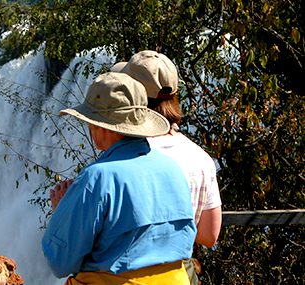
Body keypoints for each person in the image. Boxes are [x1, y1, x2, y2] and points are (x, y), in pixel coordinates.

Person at [42, 72, 197, 284]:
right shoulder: (172, 169)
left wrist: (61, 212)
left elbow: (60, 262)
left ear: (100, 125)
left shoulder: (97, 178)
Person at [112, 50, 223, 283]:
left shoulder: (124, 156)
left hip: (130, 274)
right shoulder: (201, 158)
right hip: (180, 274)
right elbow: (209, 236)